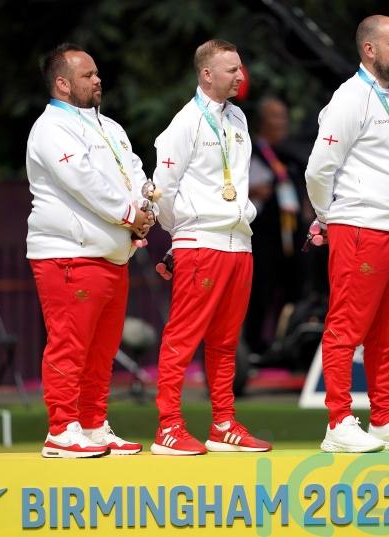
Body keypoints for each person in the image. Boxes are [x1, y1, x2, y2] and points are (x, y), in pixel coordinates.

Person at [304, 15, 389, 452]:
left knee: (388, 332)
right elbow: (318, 169)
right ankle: (338, 422)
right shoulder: (349, 98)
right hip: (361, 226)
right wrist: (328, 216)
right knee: (347, 327)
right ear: (370, 49)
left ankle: (382, 418)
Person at [26, 43, 152, 459]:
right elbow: (82, 180)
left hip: (111, 255)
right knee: (70, 344)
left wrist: (143, 211)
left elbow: (133, 170)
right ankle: (62, 430)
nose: (98, 79)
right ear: (62, 83)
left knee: (101, 351)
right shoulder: (50, 128)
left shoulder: (110, 127)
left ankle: (94, 425)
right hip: (68, 253)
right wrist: (130, 213)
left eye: (98, 73)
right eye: (87, 75)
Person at [151, 39, 272, 455]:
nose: (241, 76)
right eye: (232, 70)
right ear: (206, 74)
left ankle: (223, 423)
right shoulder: (184, 124)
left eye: (240, 68)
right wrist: (178, 233)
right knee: (183, 337)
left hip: (240, 242)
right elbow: (162, 191)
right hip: (201, 241)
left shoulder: (237, 118)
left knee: (225, 340)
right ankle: (168, 425)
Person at [245, 97, 304, 356]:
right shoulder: (248, 149)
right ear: (262, 121)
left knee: (293, 290)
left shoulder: (289, 155)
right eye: (275, 116)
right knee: (261, 291)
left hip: (289, 236)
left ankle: (287, 343)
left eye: (283, 116)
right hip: (261, 236)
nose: (282, 122)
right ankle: (253, 345)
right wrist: (252, 189)